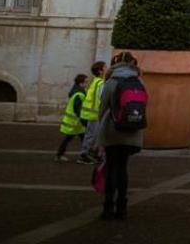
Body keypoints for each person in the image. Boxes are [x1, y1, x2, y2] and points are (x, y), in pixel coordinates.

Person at [98, 51, 147, 221]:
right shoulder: (139, 82)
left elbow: (102, 108)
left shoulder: (111, 82)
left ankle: (107, 207)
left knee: (111, 168)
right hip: (131, 131)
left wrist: (100, 132)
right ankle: (122, 207)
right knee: (123, 169)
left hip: (113, 130)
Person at [77, 60, 106, 164]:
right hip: (95, 113)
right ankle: (84, 155)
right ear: (100, 71)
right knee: (92, 135)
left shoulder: (94, 81)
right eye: (105, 67)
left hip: (90, 113)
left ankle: (88, 153)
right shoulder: (100, 83)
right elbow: (102, 98)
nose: (106, 69)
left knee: (90, 135)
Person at [56, 73, 88, 161]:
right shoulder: (79, 94)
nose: (87, 84)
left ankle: (85, 154)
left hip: (74, 122)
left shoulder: (76, 92)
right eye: (85, 82)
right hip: (75, 122)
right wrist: (84, 121)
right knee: (79, 138)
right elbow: (78, 110)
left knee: (81, 138)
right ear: (80, 83)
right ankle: (60, 154)